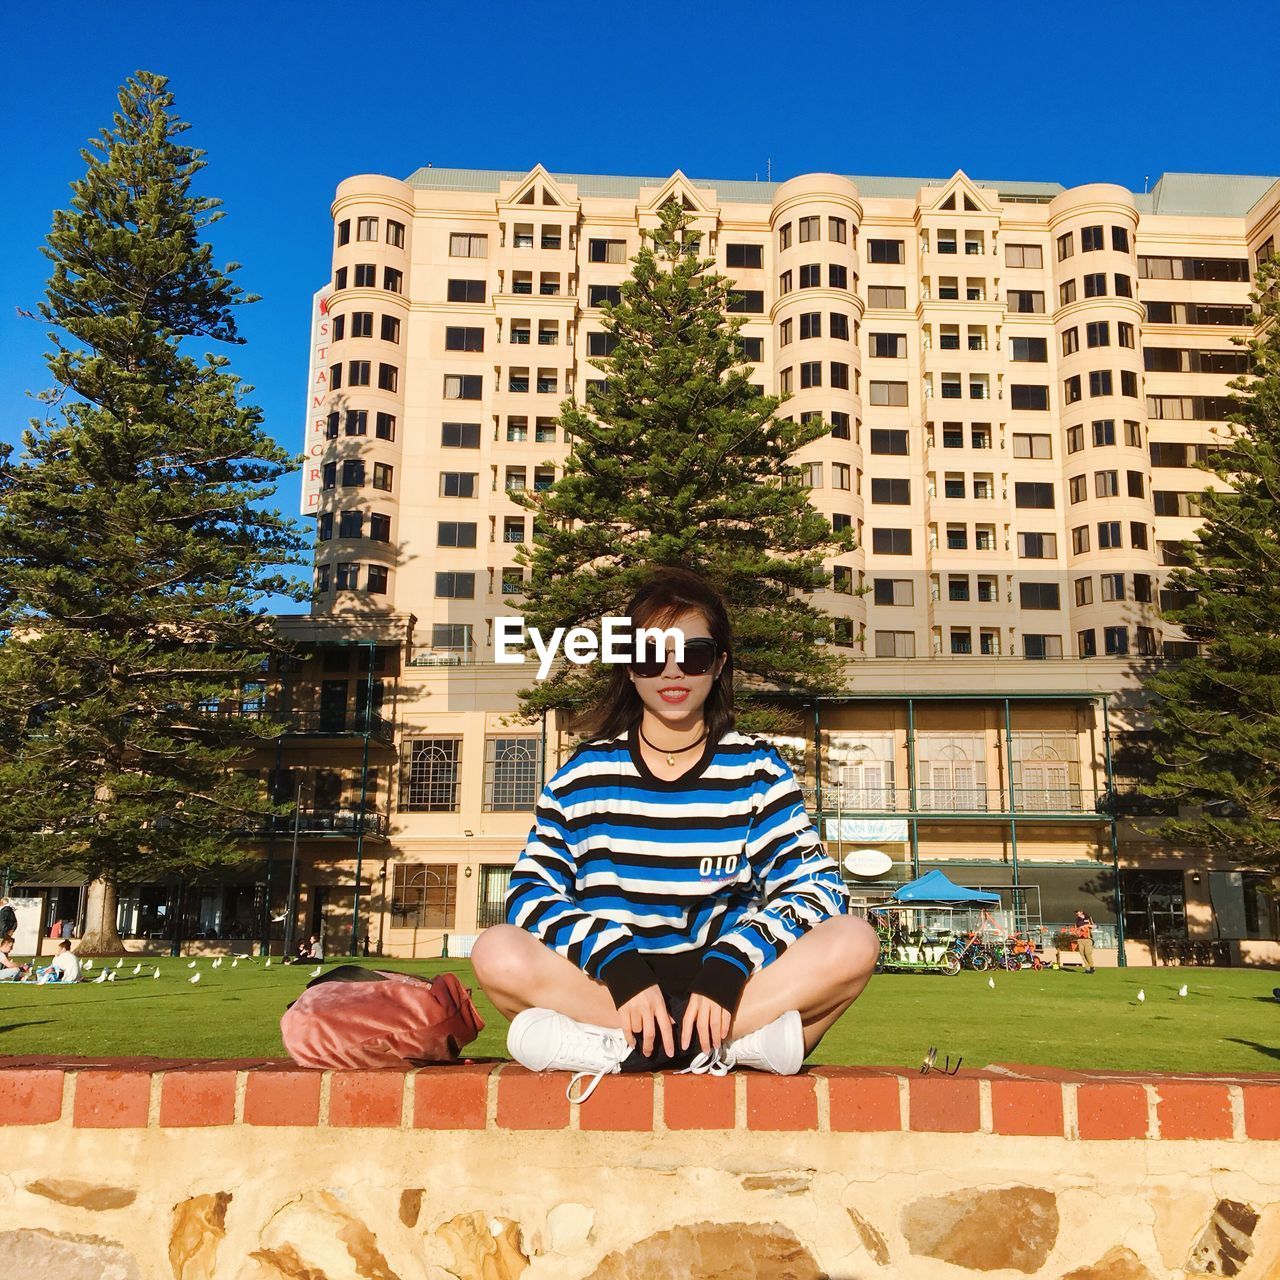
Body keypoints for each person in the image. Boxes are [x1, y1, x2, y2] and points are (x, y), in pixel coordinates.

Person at [471, 566, 880, 1102]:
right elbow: (529, 892)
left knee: (855, 940)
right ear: (629, 666)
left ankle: (628, 1050)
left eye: (693, 655)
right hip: (610, 987)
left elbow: (820, 887)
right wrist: (614, 961)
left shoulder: (757, 770)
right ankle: (721, 1050)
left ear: (718, 665)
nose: (672, 671)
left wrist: (732, 962)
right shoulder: (583, 774)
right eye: (649, 653)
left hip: (729, 986)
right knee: (496, 951)